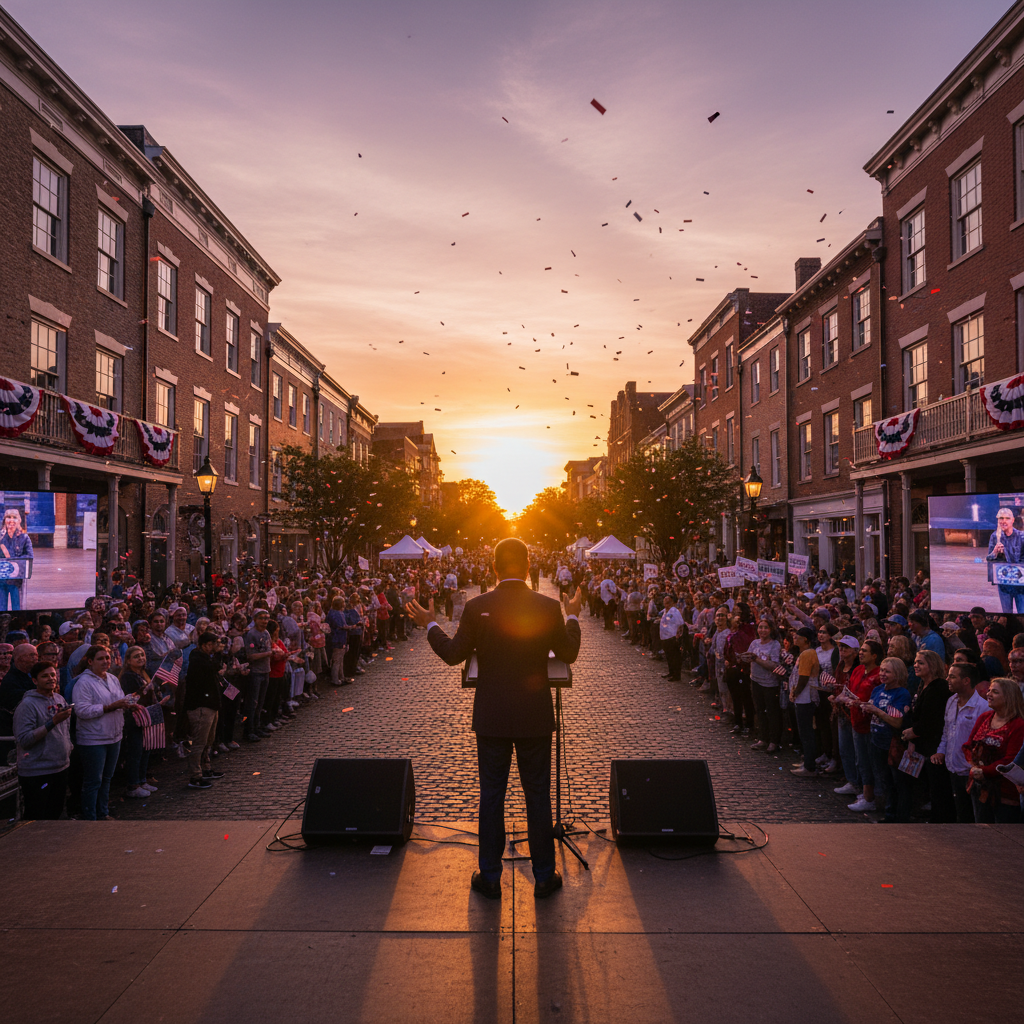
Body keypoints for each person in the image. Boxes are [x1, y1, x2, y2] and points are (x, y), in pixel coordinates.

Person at [406, 537, 582, 900]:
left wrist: (430, 624)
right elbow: (569, 652)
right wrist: (574, 614)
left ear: (494, 568)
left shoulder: (477, 606)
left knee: (491, 796)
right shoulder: (548, 606)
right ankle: (544, 876)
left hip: (492, 717)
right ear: (529, 566)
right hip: (534, 715)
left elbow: (453, 655)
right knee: (537, 797)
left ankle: (489, 876)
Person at [73, 645, 131, 820]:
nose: (105, 661)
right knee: (93, 780)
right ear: (90, 662)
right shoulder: (83, 682)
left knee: (107, 778)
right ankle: (90, 816)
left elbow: (119, 698)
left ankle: (103, 812)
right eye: (100, 658)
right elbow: (81, 710)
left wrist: (128, 704)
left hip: (114, 735)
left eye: (107, 658)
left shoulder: (113, 678)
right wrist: (109, 707)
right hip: (93, 739)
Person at [13, 661, 72, 818]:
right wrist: (52, 722)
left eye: (53, 675)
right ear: (34, 680)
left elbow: (65, 729)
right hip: (37, 771)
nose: (51, 678)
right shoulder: (27, 705)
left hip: (60, 767)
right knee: (37, 817)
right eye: (45, 676)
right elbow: (24, 739)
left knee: (55, 814)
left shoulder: (60, 699)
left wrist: (69, 747)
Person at [963, 676, 1024, 823]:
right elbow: (968, 745)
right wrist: (974, 765)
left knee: (1003, 838)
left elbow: (1011, 760)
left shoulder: (1018, 725)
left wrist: (984, 771)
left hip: (1004, 792)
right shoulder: (985, 717)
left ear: (1008, 697)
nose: (988, 694)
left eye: (995, 692)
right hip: (979, 785)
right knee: (982, 833)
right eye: (989, 690)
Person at [932, 662, 988, 822]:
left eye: (952, 676)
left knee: (975, 817)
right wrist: (941, 751)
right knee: (961, 814)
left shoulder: (983, 708)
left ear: (966, 681)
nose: (947, 679)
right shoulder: (951, 701)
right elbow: (947, 731)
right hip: (952, 769)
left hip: (971, 772)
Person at [900, 649, 951, 822]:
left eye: (921, 662)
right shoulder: (924, 685)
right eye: (915, 662)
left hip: (934, 746)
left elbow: (932, 720)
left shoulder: (938, 688)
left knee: (937, 788)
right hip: (923, 743)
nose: (916, 665)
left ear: (933, 665)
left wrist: (912, 733)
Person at [861, 657, 913, 822]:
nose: (882, 674)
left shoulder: (902, 694)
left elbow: (897, 721)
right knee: (884, 780)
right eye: (882, 670)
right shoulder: (877, 689)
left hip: (892, 744)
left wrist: (877, 711)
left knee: (896, 782)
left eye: (887, 671)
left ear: (897, 674)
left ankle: (897, 817)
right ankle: (889, 814)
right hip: (876, 740)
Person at [184, 632, 226, 790]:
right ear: (205, 644)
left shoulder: (205, 657)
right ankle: (195, 775)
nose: (216, 647)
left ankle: (206, 768)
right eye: (214, 644)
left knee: (209, 740)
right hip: (200, 706)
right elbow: (215, 667)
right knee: (199, 742)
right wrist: (218, 655)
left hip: (211, 704)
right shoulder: (197, 659)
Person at [747, 619, 783, 751]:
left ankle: (774, 741)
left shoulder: (775, 645)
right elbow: (749, 656)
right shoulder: (754, 643)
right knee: (760, 710)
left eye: (765, 628)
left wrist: (756, 659)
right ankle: (762, 738)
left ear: (771, 629)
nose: (762, 630)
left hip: (769, 683)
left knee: (772, 712)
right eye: (760, 627)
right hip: (755, 680)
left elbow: (774, 665)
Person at [789, 628, 820, 777]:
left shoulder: (807, 654)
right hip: (803, 697)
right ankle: (808, 761)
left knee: (806, 732)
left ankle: (810, 766)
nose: (795, 639)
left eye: (798, 637)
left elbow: (803, 677)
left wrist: (795, 692)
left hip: (805, 697)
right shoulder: (804, 653)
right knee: (805, 731)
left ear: (806, 640)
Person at [986, 507, 1024, 614]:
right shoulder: (995, 537)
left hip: (1020, 583)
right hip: (1004, 583)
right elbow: (989, 559)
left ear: (1012, 520)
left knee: (1022, 613)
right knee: (1007, 614)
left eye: (1007, 518)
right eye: (1001, 518)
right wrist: (995, 552)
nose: (1003, 521)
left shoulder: (1021, 536)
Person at [242, 609, 273, 741]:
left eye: (267, 618)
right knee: (252, 702)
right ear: (255, 619)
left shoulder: (266, 633)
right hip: (255, 672)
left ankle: (257, 727)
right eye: (262, 618)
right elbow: (251, 656)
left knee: (260, 702)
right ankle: (248, 730)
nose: (264, 621)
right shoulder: (251, 634)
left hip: (266, 670)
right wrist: (268, 654)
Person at [0, 507, 33, 611]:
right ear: (4, 520)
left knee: (17, 608)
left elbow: (29, 556)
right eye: (8, 517)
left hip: (16, 581)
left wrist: (15, 561)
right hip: (1, 580)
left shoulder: (24, 538)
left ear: (19, 520)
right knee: (1, 607)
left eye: (14, 517)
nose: (11, 520)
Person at [659, 594, 685, 681]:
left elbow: (680, 624)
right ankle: (671, 672)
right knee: (668, 656)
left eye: (668, 601)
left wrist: (678, 636)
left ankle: (676, 675)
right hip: (664, 637)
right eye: (665, 601)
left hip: (672, 637)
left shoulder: (674, 611)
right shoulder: (665, 611)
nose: (666, 603)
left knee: (674, 657)